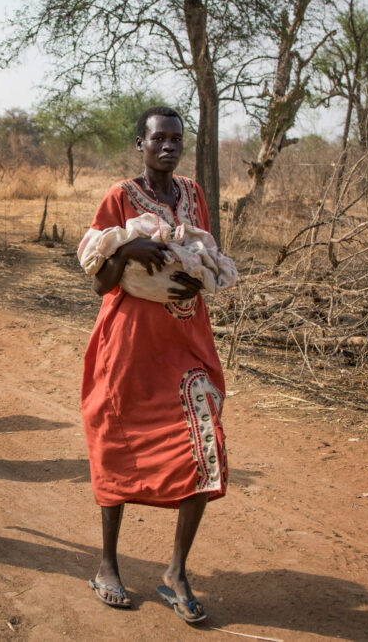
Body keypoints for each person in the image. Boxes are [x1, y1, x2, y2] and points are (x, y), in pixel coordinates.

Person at [77, 107, 223, 622]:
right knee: (116, 443)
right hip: (130, 344)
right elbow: (100, 280)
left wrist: (197, 274)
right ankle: (107, 564)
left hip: (186, 338)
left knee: (205, 440)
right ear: (140, 142)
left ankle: (175, 571)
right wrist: (131, 247)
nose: (168, 145)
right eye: (158, 137)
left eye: (175, 138)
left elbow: (206, 251)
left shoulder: (193, 193)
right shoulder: (119, 197)